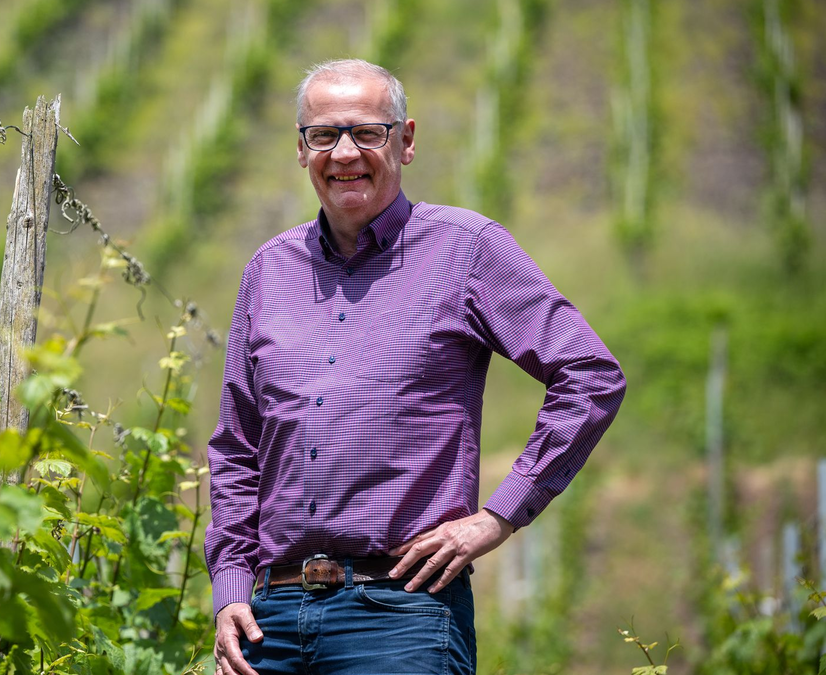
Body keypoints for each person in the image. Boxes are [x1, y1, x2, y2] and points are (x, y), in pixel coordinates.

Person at [203, 59, 626, 675]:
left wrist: (499, 516)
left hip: (402, 615)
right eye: (324, 136)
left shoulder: (465, 248)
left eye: (367, 132)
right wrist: (232, 590)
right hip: (269, 625)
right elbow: (237, 446)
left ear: (406, 140)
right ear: (301, 151)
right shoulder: (269, 270)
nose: (344, 152)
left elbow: (589, 374)